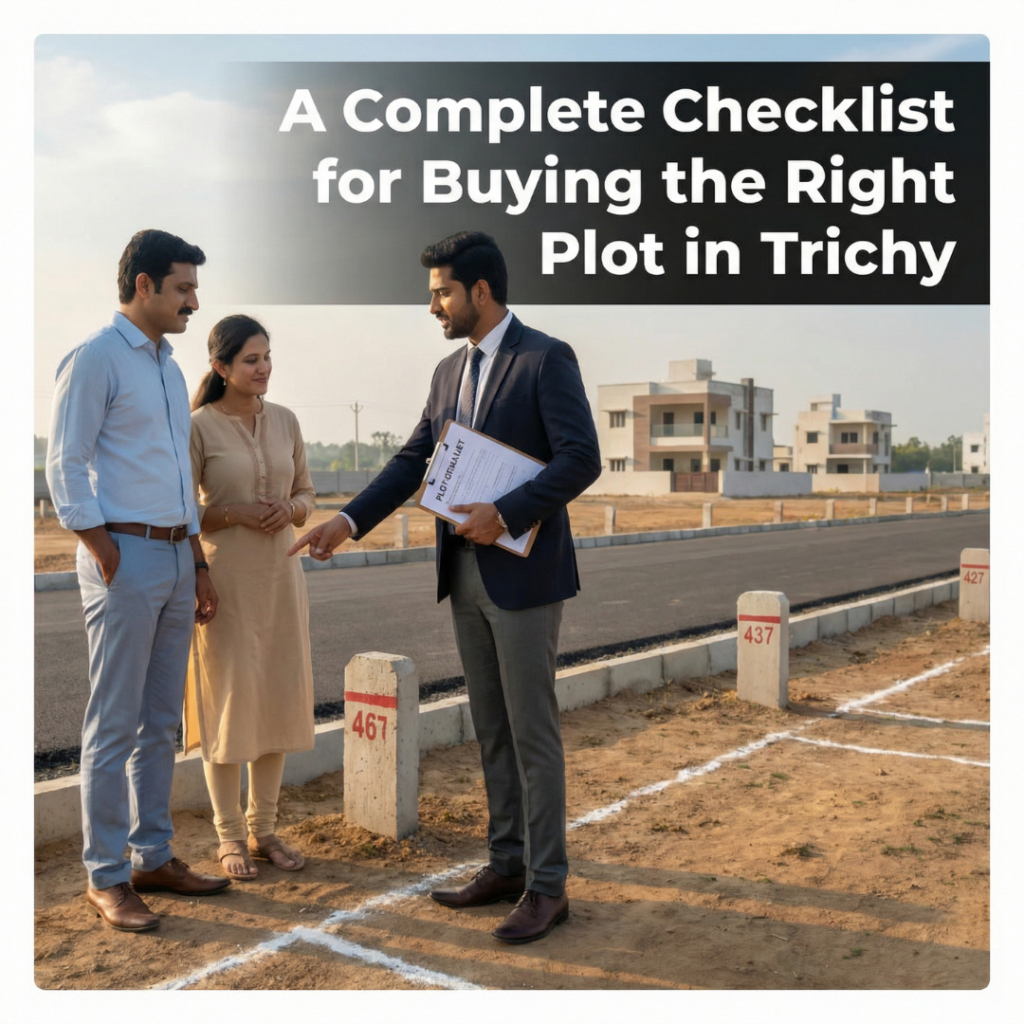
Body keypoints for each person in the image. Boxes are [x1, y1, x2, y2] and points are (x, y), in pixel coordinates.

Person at [289, 231, 601, 944]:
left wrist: (509, 512)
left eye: (441, 292)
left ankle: (549, 888)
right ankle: (506, 863)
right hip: (462, 571)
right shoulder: (446, 373)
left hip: (523, 572)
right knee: (491, 727)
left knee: (532, 732)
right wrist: (347, 519)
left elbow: (582, 458)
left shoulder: (546, 358)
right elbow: (411, 461)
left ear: (480, 293)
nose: (432, 305)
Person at [46, 229, 230, 933]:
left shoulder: (165, 365)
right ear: (145, 285)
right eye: (183, 287)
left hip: (177, 555)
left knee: (162, 720)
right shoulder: (96, 357)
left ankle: (153, 855)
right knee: (114, 722)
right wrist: (98, 541)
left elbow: (177, 477)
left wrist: (198, 562)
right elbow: (67, 461)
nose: (193, 301)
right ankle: (107, 875)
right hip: (121, 556)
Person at [185, 314, 316, 879]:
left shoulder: (286, 421)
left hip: (282, 579)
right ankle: (229, 837)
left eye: (267, 357)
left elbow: (307, 492)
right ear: (221, 367)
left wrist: (289, 511)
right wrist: (235, 513)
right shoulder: (197, 427)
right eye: (251, 360)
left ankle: (264, 830)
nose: (264, 369)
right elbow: (181, 510)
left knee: (275, 699)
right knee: (230, 707)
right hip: (225, 583)